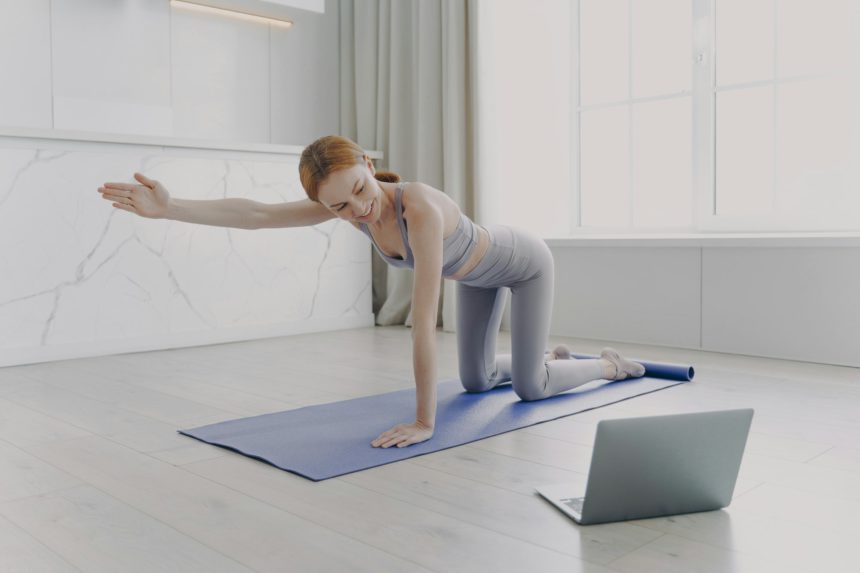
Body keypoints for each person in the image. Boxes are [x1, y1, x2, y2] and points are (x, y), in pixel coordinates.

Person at [98, 135, 645, 450]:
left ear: (365, 160)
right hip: (474, 277)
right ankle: (547, 354)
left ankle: (605, 367)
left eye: (359, 190)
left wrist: (425, 421)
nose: (357, 210)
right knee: (477, 381)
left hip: (522, 264)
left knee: (530, 388)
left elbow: (424, 321)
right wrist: (170, 208)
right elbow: (258, 214)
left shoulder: (419, 209)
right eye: (338, 207)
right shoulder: (346, 205)